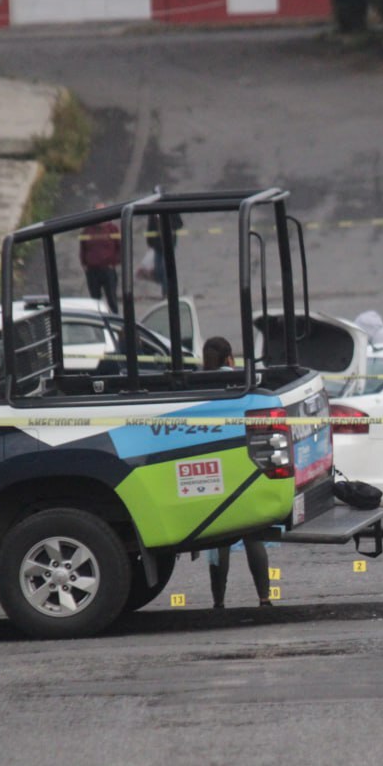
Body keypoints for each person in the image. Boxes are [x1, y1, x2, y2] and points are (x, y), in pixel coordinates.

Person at [199, 335, 273, 608]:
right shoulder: (245, 381)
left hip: (215, 469)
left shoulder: (200, 387)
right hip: (245, 463)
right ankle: (264, 598)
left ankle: (218, 602)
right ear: (230, 359)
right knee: (252, 535)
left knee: (219, 540)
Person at [78, 203, 121, 314]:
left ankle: (116, 320)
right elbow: (83, 248)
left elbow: (120, 247)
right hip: (92, 271)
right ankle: (98, 322)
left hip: (108, 269)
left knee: (111, 298)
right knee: (95, 300)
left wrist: (114, 262)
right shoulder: (87, 230)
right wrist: (84, 264)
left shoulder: (112, 229)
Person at [146, 210, 184, 299]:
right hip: (157, 245)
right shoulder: (153, 212)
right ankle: (168, 287)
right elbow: (150, 227)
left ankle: (166, 293)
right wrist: (150, 242)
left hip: (169, 245)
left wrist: (170, 227)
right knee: (158, 270)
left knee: (165, 269)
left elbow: (179, 224)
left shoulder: (172, 210)